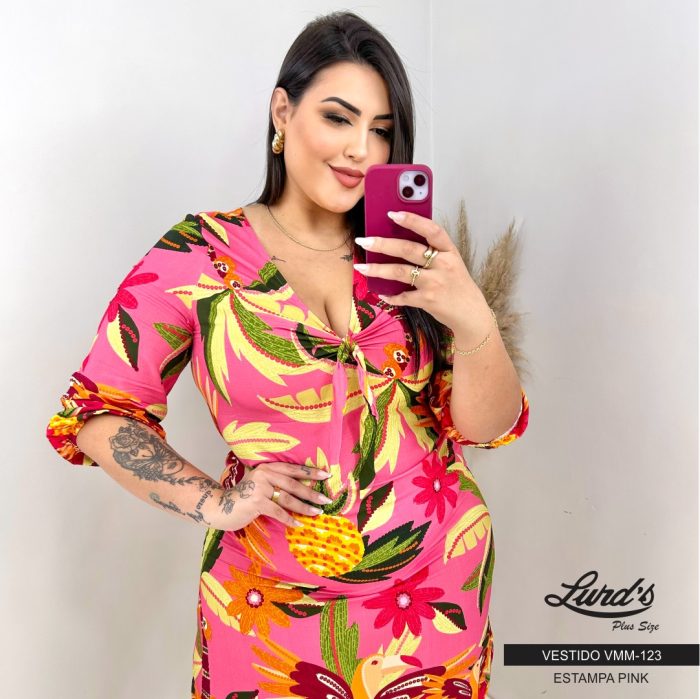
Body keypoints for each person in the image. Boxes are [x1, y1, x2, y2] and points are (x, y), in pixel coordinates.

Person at [46, 10, 529, 698]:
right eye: (338, 118)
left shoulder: (410, 257)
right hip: (267, 612)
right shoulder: (199, 255)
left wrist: (472, 314)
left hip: (435, 601)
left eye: (382, 130)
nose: (361, 149)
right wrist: (217, 501)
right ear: (282, 112)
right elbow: (99, 413)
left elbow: (486, 425)